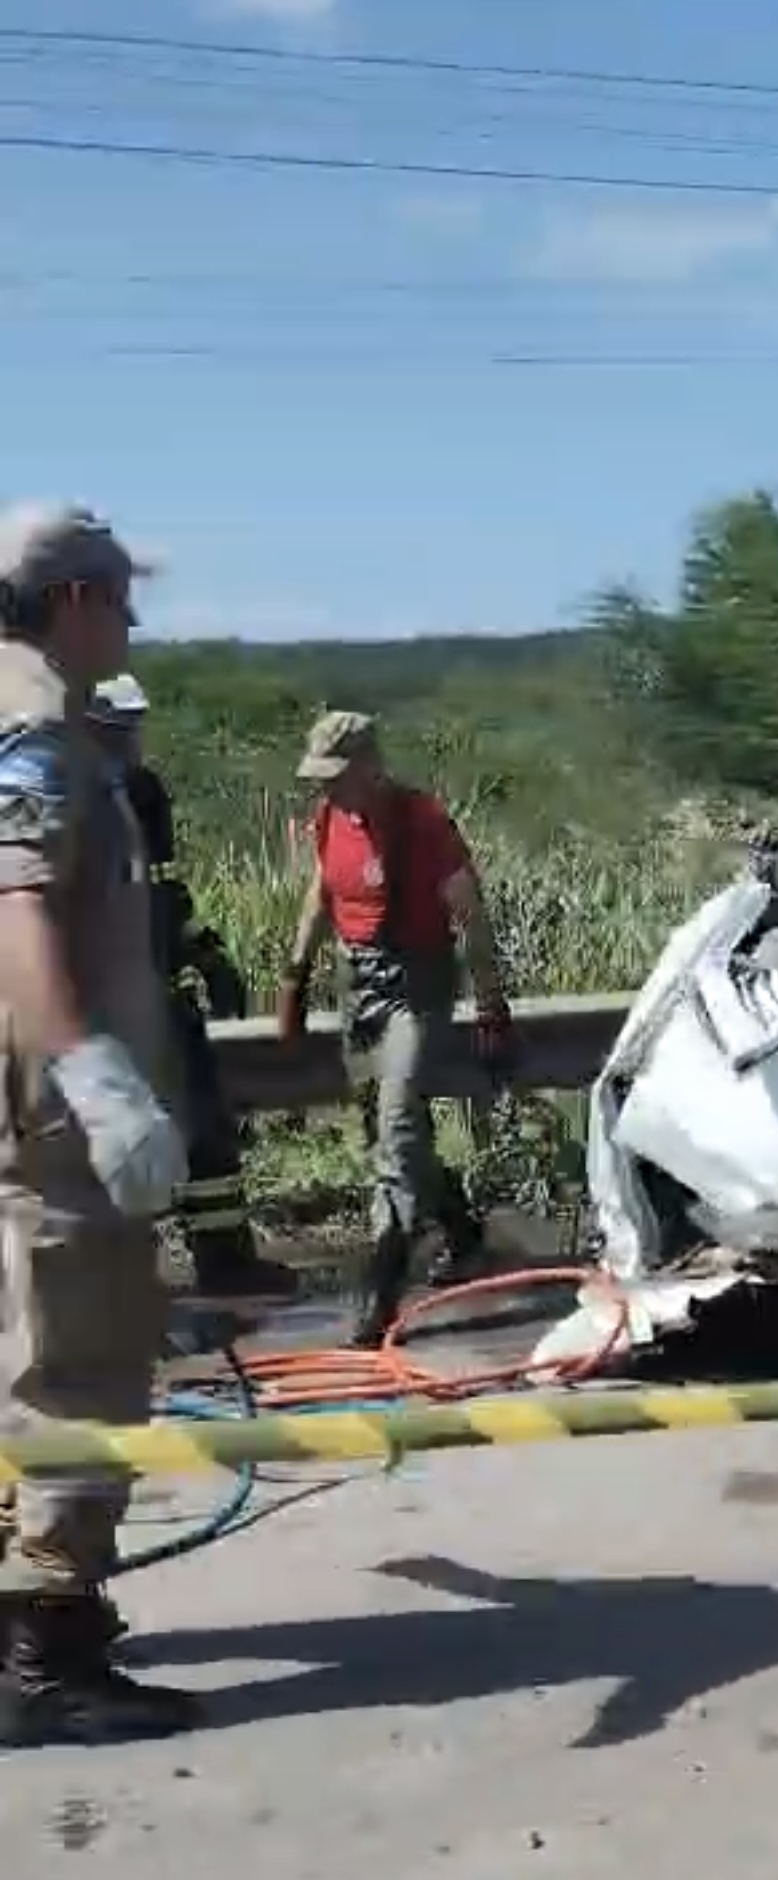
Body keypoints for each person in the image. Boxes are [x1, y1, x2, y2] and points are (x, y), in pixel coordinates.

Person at [0, 503, 203, 1743]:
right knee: (79, 1363)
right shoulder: (31, 731)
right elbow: (14, 909)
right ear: (75, 599)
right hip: (54, 1125)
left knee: (22, 1356)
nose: (132, 624)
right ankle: (47, 1655)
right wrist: (96, 1075)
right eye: (124, 601)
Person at [277, 711, 513, 1346]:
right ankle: (463, 1237)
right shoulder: (330, 819)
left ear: (369, 768)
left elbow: (472, 914)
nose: (325, 790)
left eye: (336, 777)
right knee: (382, 1133)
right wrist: (295, 980)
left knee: (398, 1133)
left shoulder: (423, 822)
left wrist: (491, 1006)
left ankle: (377, 1296)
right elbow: (323, 892)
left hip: (418, 987)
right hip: (359, 986)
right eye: (319, 779)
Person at [87, 674, 293, 1303]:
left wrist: (206, 954)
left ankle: (226, 1262)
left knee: (206, 1130)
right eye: (121, 729)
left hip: (162, 999)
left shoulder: (145, 793)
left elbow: (166, 889)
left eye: (135, 727)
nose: (132, 740)